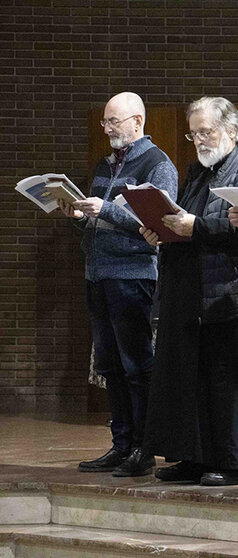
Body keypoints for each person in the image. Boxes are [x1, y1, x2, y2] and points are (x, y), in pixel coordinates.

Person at [141, 97, 238, 487]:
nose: (199, 140)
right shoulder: (197, 172)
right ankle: (194, 458)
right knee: (192, 380)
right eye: (193, 133)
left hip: (233, 295)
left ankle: (235, 464)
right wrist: (160, 230)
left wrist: (193, 227)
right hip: (194, 295)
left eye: (206, 132)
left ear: (231, 131)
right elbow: (185, 221)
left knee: (230, 383)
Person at [59, 92, 177, 477]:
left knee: (135, 365)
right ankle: (121, 444)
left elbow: (160, 221)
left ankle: (143, 448)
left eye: (114, 121)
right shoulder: (105, 164)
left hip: (132, 275)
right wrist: (77, 214)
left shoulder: (158, 164)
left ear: (138, 122)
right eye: (105, 122)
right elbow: (101, 220)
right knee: (109, 365)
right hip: (97, 273)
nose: (107, 128)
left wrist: (103, 208)